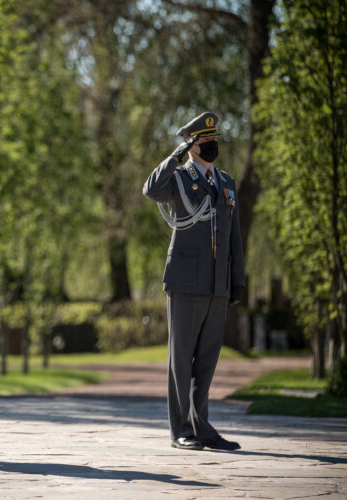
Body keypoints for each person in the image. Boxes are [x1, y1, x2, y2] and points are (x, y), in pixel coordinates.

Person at [143, 112, 245, 451]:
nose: (213, 145)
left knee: (206, 359)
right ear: (192, 145)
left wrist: (237, 279)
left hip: (217, 283)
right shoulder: (179, 178)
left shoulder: (226, 182)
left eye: (215, 140)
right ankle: (181, 430)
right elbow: (151, 189)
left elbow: (235, 236)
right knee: (181, 358)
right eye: (206, 142)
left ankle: (202, 426)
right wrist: (174, 156)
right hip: (185, 282)